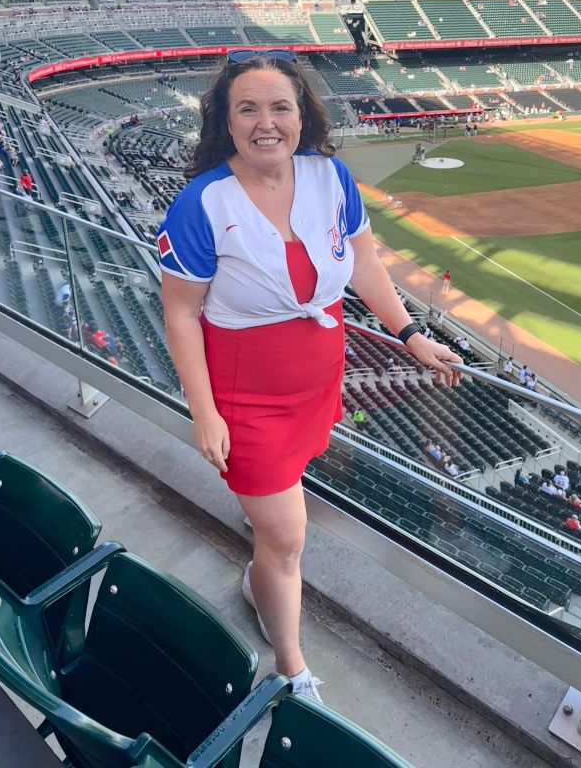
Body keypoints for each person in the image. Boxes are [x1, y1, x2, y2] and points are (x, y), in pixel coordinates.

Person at [159, 51, 462, 703]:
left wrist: (412, 336)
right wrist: (205, 411)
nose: (265, 122)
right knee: (291, 539)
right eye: (248, 108)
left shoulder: (330, 177)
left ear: (302, 115)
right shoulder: (200, 203)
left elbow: (366, 270)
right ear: (226, 121)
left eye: (279, 107)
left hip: (318, 382)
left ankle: (259, 573)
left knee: (278, 531)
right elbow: (182, 314)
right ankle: (292, 667)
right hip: (246, 399)